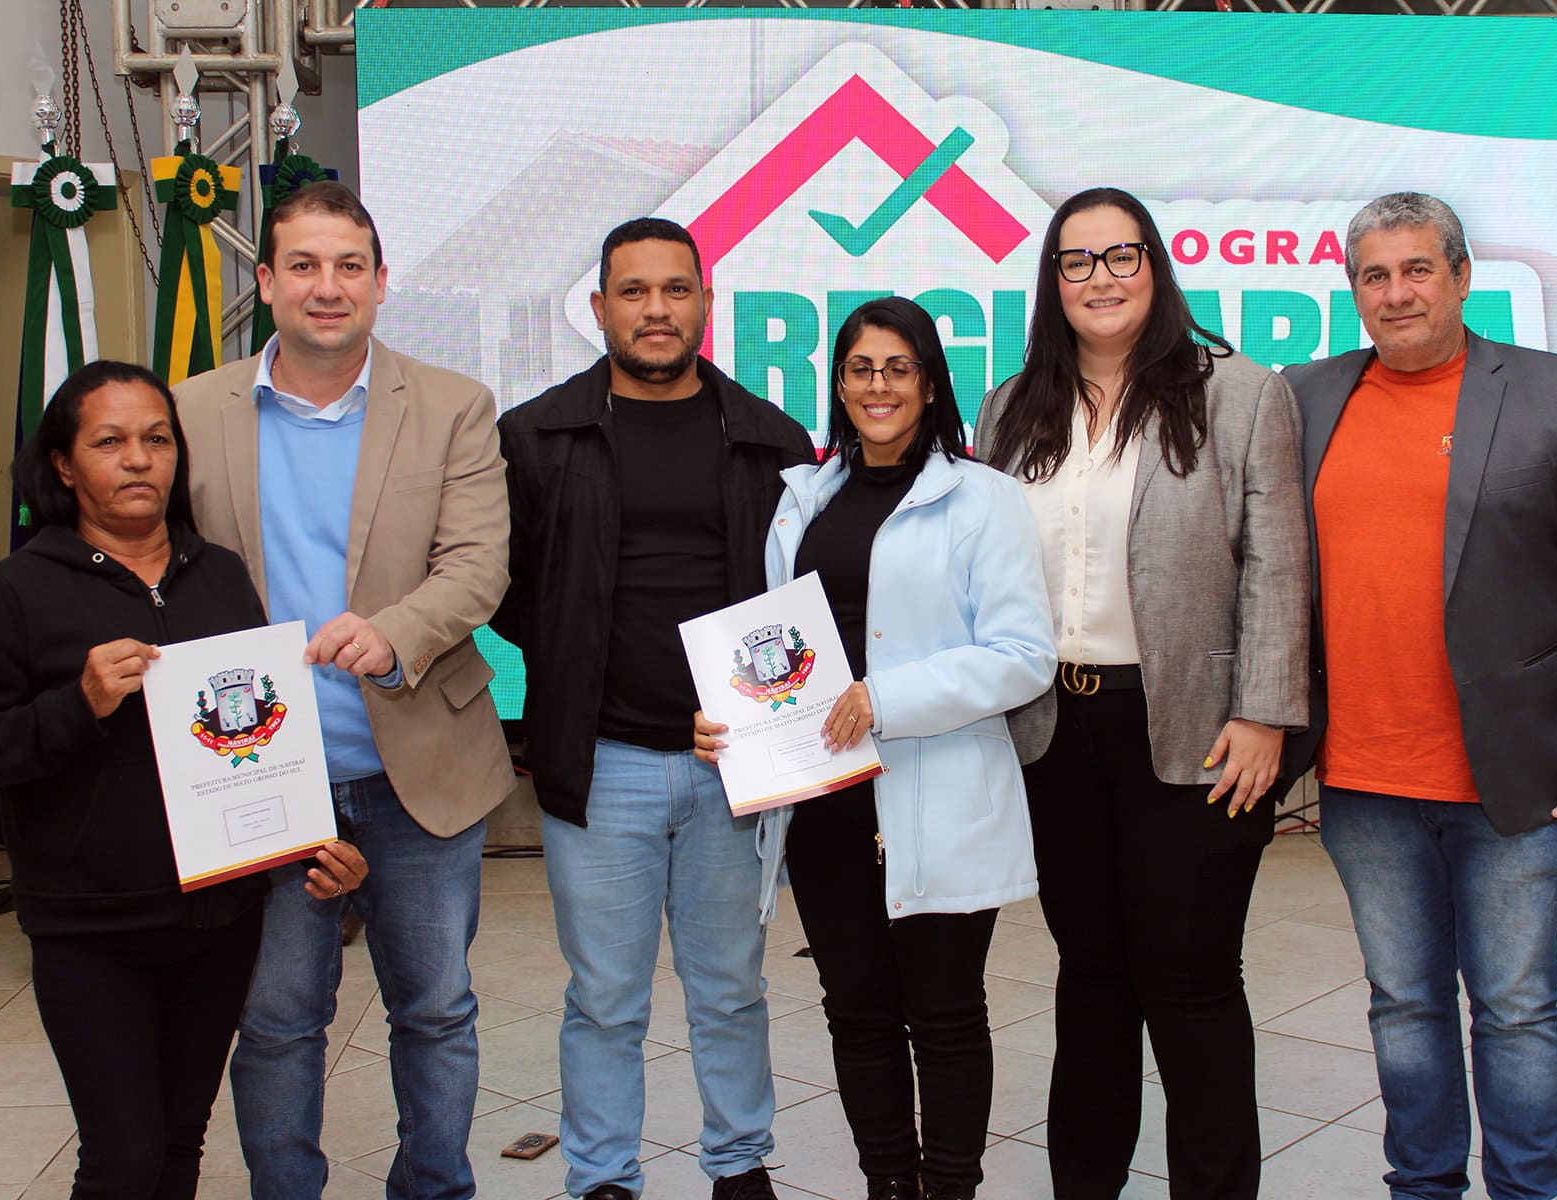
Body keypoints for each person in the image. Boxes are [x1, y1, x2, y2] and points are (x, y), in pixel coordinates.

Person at [1283, 192, 1557, 1200]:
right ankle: (1424, 1188)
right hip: (1363, 778)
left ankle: (1528, 1191)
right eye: (1374, 275)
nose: (1396, 293)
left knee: (1516, 1009)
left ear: (1459, 276)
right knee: (1403, 1005)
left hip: (1514, 780)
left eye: (1417, 269)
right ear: (1353, 290)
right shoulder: (1306, 396)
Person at [0, 360, 368, 1199]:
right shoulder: (16, 591)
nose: (138, 459)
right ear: (63, 464)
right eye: (110, 442)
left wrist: (320, 838)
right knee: (122, 1162)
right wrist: (79, 704)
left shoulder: (221, 573)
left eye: (157, 439)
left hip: (219, 921)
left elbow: (258, 736)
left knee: (176, 1147)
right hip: (92, 931)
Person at [173, 181, 514, 1200]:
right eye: (305, 266)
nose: (329, 287)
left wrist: (392, 632)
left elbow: (478, 565)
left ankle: (433, 1190)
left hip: (419, 770)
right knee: (277, 1021)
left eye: (349, 266)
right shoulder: (190, 412)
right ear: (266, 281)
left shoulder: (453, 406)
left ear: (381, 282)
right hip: (260, 776)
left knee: (436, 1012)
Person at [974, 187, 1309, 1200]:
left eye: (1121, 256)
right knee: (1091, 976)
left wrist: (1264, 713)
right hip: (1052, 731)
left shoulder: (1239, 393)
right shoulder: (1011, 405)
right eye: (1076, 261)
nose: (1101, 278)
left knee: (1190, 976)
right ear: (1053, 281)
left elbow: (1278, 565)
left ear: (1154, 267)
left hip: (1199, 731)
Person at [696, 297, 1055, 1200]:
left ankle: (950, 1188)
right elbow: (776, 647)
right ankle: (888, 1184)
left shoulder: (983, 498)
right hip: (826, 800)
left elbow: (1023, 656)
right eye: (860, 369)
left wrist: (884, 699)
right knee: (855, 1011)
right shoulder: (803, 498)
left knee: (944, 1013)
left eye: (899, 368)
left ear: (930, 384)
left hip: (939, 791)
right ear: (840, 385)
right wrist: (731, 721)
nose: (878, 386)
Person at [494, 217, 813, 1200]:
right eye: (634, 291)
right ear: (599, 308)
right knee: (604, 997)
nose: (657, 309)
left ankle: (739, 1166)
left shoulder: (770, 438)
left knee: (731, 988)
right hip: (600, 765)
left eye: (677, 289)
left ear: (706, 304)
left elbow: (798, 594)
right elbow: (504, 587)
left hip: (735, 767)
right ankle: (601, 1176)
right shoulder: (537, 437)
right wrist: (580, 662)